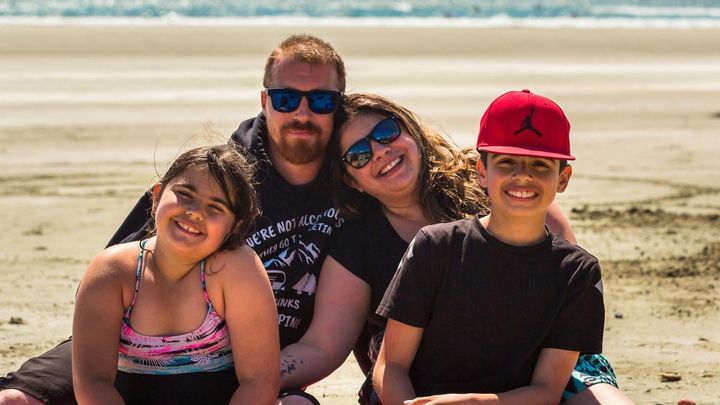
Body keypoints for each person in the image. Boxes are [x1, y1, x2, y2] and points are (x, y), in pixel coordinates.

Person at [0, 33, 347, 405]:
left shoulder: (354, 187)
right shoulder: (215, 174)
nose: (302, 113)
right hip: (131, 348)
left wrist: (262, 372)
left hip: (244, 360)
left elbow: (323, 342)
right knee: (15, 400)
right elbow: (116, 279)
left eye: (321, 100)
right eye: (286, 98)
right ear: (265, 101)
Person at [319, 92, 633, 404]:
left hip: (537, 376)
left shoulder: (575, 267)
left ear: (562, 179)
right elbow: (385, 364)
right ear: (483, 171)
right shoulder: (424, 246)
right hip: (424, 383)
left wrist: (476, 401)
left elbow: (549, 385)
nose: (523, 176)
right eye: (359, 154)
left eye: (386, 132)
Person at [72, 144, 279, 404]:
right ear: (156, 196)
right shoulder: (113, 271)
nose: (195, 212)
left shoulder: (236, 268)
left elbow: (259, 381)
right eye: (184, 194)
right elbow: (92, 382)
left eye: (216, 207)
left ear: (235, 227)